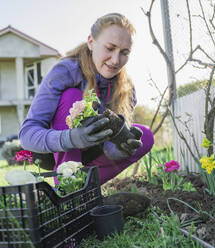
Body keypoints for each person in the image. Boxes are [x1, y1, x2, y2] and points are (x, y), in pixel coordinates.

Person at [19, 13, 153, 215]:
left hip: (92, 151)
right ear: (91, 42)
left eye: (124, 52)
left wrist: (116, 148)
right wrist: (70, 138)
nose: (116, 60)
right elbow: (26, 135)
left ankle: (82, 195)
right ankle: (68, 191)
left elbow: (112, 137)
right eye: (110, 48)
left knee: (146, 136)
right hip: (55, 148)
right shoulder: (65, 71)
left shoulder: (126, 88)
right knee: (73, 96)